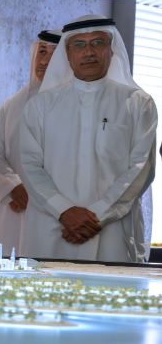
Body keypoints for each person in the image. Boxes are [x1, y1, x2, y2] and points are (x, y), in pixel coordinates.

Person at [19, 16, 157, 262]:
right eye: (79, 45)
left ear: (111, 49)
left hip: (111, 229)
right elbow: (29, 166)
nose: (89, 52)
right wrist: (63, 210)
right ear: (68, 53)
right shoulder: (40, 105)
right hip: (51, 227)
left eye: (97, 42)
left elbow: (141, 168)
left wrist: (99, 214)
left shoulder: (138, 103)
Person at [0, 30, 58, 253]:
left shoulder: (77, 107)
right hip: (12, 211)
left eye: (54, 54)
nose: (44, 61)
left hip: (55, 215)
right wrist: (12, 186)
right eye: (42, 52)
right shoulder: (12, 105)